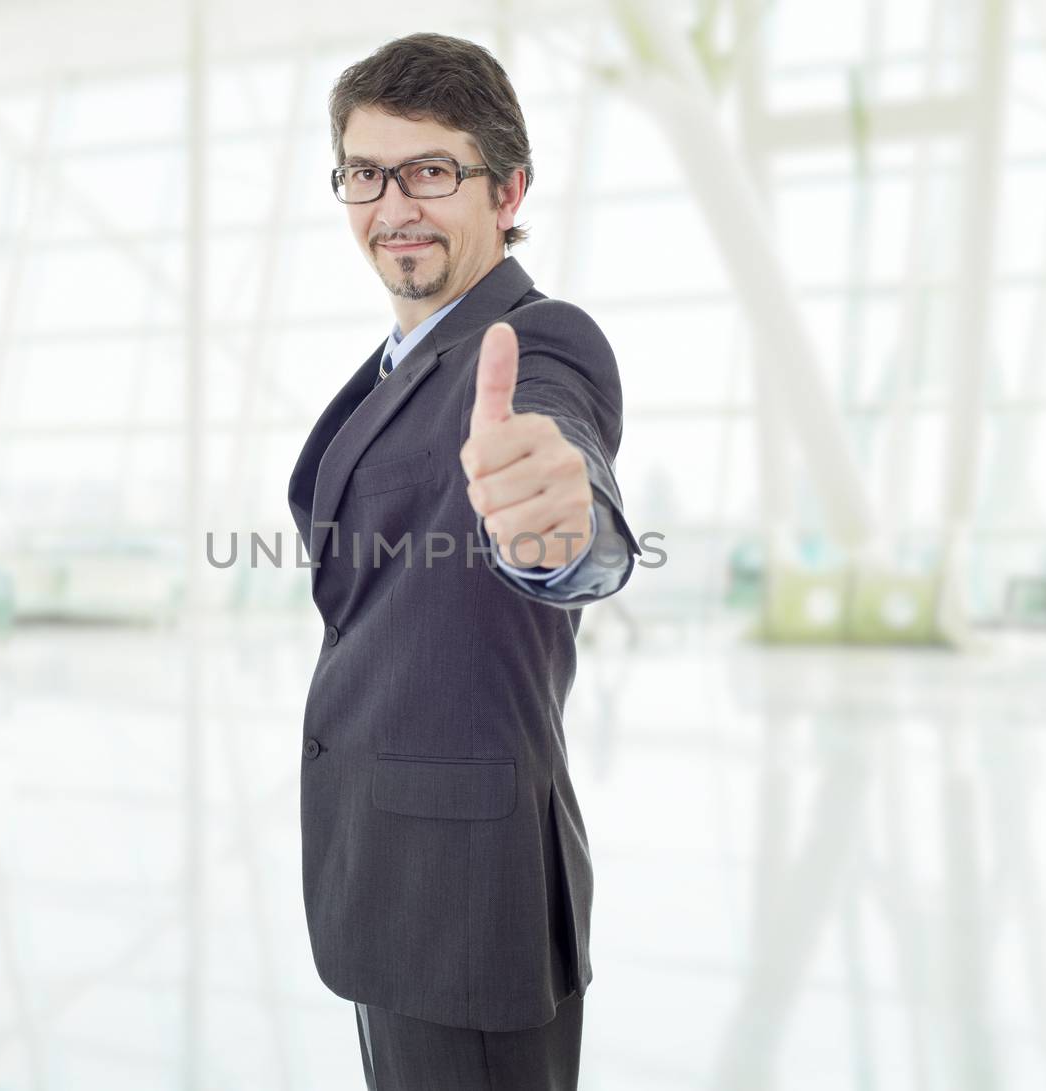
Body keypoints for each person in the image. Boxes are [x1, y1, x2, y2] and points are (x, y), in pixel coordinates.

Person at [285, 31, 640, 1091]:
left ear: (508, 186)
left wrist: (558, 535)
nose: (392, 203)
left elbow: (567, 480)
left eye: (432, 170)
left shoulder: (532, 341)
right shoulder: (397, 361)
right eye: (364, 172)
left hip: (467, 892)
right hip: (387, 867)